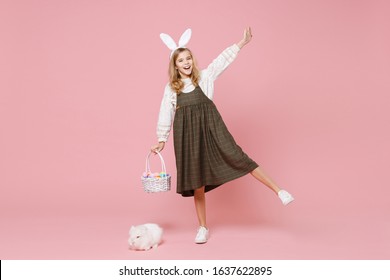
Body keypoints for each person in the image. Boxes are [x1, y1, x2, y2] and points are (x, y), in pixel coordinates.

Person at [151, 27, 294, 244]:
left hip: (211, 128)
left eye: (189, 58)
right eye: (181, 60)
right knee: (196, 179)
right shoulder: (171, 88)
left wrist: (241, 43)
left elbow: (221, 60)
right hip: (188, 136)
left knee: (238, 157)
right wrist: (162, 139)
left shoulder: (205, 77)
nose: (187, 62)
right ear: (175, 65)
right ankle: (202, 227)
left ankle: (279, 191)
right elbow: (165, 112)